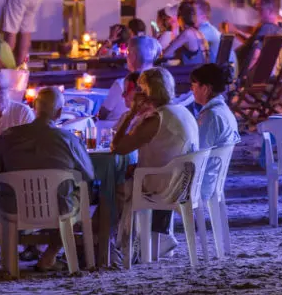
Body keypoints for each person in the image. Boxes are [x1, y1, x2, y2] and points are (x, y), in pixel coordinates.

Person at [0, 86, 94, 272]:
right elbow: (89, 175)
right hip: (60, 209)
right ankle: (51, 254)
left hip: (16, 208)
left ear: (34, 108)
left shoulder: (7, 137)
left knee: (0, 200)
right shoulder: (68, 139)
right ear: (60, 112)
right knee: (79, 196)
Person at [112, 67, 199, 257]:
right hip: (185, 181)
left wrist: (131, 113)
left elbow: (117, 147)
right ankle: (155, 237)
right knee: (131, 175)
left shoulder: (156, 119)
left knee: (114, 186)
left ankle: (117, 245)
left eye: (140, 89)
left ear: (147, 91)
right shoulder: (182, 111)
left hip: (165, 185)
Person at [190, 63, 239, 199]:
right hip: (213, 179)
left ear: (205, 88)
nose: (191, 89)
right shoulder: (223, 110)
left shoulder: (210, 115)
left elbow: (197, 152)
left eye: (194, 85)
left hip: (201, 183)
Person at [98, 36, 158, 122]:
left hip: (115, 130)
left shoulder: (122, 84)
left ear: (133, 56)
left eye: (128, 53)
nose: (126, 57)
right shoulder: (159, 83)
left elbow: (102, 114)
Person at [163, 0, 209, 65]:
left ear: (180, 19)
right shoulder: (198, 32)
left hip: (193, 73)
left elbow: (166, 54)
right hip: (201, 72)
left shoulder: (187, 33)